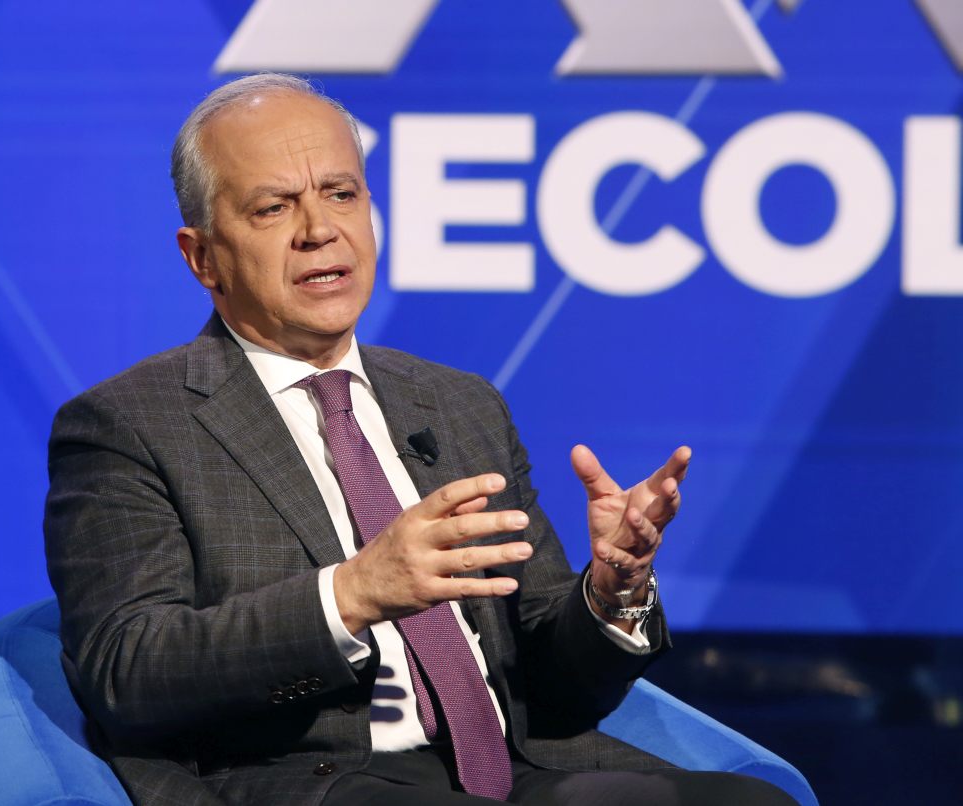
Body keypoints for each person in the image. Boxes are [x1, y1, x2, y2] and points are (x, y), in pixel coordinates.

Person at [44, 73, 795, 805]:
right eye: (274, 207)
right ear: (202, 256)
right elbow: (127, 671)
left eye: (342, 194)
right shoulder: (130, 425)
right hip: (314, 781)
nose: (319, 230)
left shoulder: (459, 404)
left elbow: (556, 684)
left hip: (519, 769)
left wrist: (609, 592)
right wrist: (353, 593)